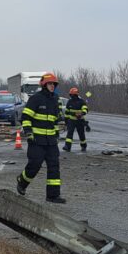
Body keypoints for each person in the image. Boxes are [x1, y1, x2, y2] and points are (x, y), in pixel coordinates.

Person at [16, 73, 66, 203]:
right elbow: (26, 118)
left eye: (54, 84)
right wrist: (29, 134)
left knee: (54, 167)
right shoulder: (36, 99)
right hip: (37, 141)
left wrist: (56, 133)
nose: (52, 86)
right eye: (50, 84)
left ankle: (53, 196)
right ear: (44, 85)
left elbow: (55, 119)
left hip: (51, 142)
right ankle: (22, 182)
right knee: (34, 165)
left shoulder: (55, 99)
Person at [62, 87, 89, 152]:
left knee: (81, 134)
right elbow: (67, 112)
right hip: (71, 121)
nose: (71, 96)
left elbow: (85, 109)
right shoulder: (69, 102)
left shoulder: (81, 101)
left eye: (72, 95)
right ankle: (67, 147)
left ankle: (83, 146)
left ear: (75, 95)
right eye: (70, 95)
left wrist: (82, 113)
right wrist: (66, 121)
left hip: (80, 121)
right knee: (69, 133)